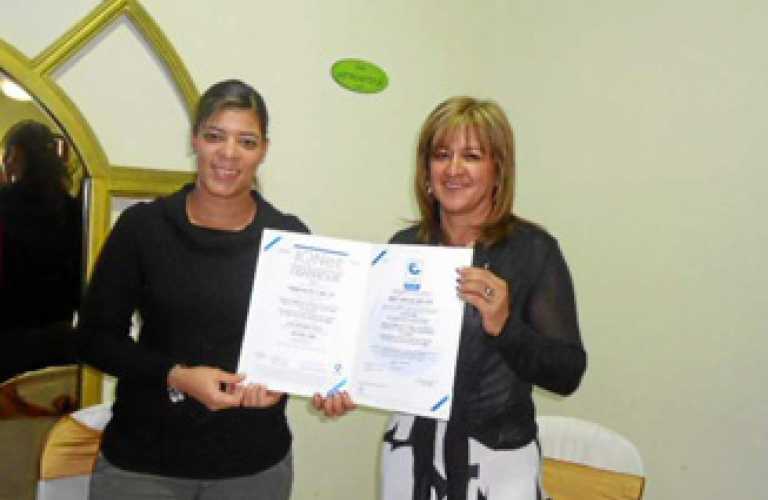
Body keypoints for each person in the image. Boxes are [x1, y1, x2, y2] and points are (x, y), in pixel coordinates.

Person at [78, 79, 320, 500]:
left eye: (246, 141)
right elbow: (94, 339)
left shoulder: (289, 237)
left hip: (252, 464)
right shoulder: (143, 228)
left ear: (263, 150)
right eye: (215, 136)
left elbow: (308, 341)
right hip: (143, 463)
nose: (229, 153)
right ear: (195, 140)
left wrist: (288, 381)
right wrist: (176, 376)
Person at [377, 97, 587, 500]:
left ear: (498, 171)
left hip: (498, 460)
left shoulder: (532, 251)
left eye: (471, 156)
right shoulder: (404, 248)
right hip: (410, 449)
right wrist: (342, 384)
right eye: (442, 155)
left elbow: (568, 374)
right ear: (426, 170)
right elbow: (380, 355)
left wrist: (505, 326)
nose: (453, 169)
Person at [0, 120, 81, 384]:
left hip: (7, 339)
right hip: (59, 340)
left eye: (7, 155)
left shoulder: (5, 203)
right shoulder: (75, 210)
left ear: (17, 154)